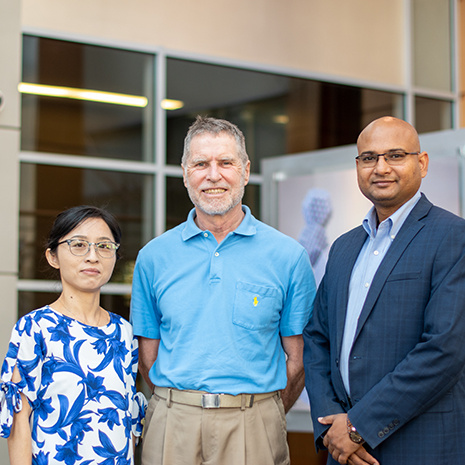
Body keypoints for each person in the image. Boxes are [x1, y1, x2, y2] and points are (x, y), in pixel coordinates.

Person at [130, 115, 316, 465]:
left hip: (253, 423)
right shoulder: (153, 257)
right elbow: (147, 357)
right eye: (201, 164)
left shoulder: (289, 257)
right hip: (173, 424)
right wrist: (181, 406)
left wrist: (261, 412)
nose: (213, 175)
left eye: (225, 163)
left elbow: (298, 360)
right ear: (185, 174)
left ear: (245, 171)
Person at [303, 116, 465, 465]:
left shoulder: (453, 237)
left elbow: (444, 349)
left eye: (395, 155)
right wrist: (332, 424)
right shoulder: (345, 247)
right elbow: (317, 339)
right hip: (344, 450)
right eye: (369, 158)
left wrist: (359, 426)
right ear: (357, 166)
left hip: (421, 447)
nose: (380, 168)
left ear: (421, 164)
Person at [0, 205, 146, 465]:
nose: (93, 257)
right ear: (52, 256)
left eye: (104, 246)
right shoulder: (35, 327)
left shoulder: (124, 332)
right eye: (78, 245)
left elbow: (127, 418)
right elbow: (19, 419)